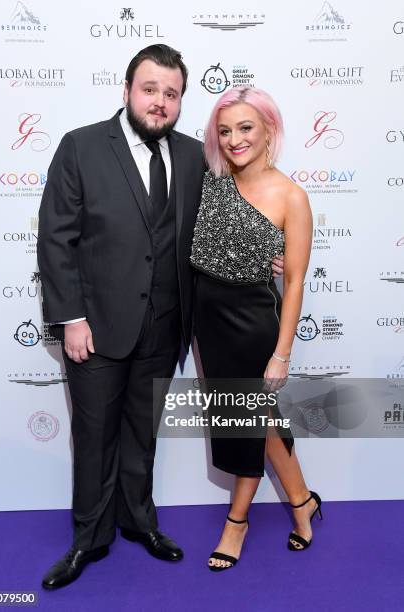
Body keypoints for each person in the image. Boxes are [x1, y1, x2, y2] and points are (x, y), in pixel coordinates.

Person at [37, 44, 207, 590]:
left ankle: (140, 522)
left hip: (163, 327)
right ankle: (89, 537)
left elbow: (213, 231)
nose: (160, 102)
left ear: (181, 100)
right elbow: (56, 239)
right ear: (128, 90)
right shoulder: (82, 146)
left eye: (172, 93)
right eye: (150, 89)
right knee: (94, 437)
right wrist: (70, 318)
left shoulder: (195, 155)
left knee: (142, 434)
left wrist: (268, 253)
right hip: (96, 329)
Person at [190, 86, 322, 572]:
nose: (233, 140)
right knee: (260, 422)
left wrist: (281, 353)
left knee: (245, 421)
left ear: (269, 128)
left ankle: (236, 524)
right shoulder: (211, 179)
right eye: (224, 131)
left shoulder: (292, 196)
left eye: (245, 128)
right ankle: (302, 501)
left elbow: (294, 281)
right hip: (208, 322)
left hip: (251, 324)